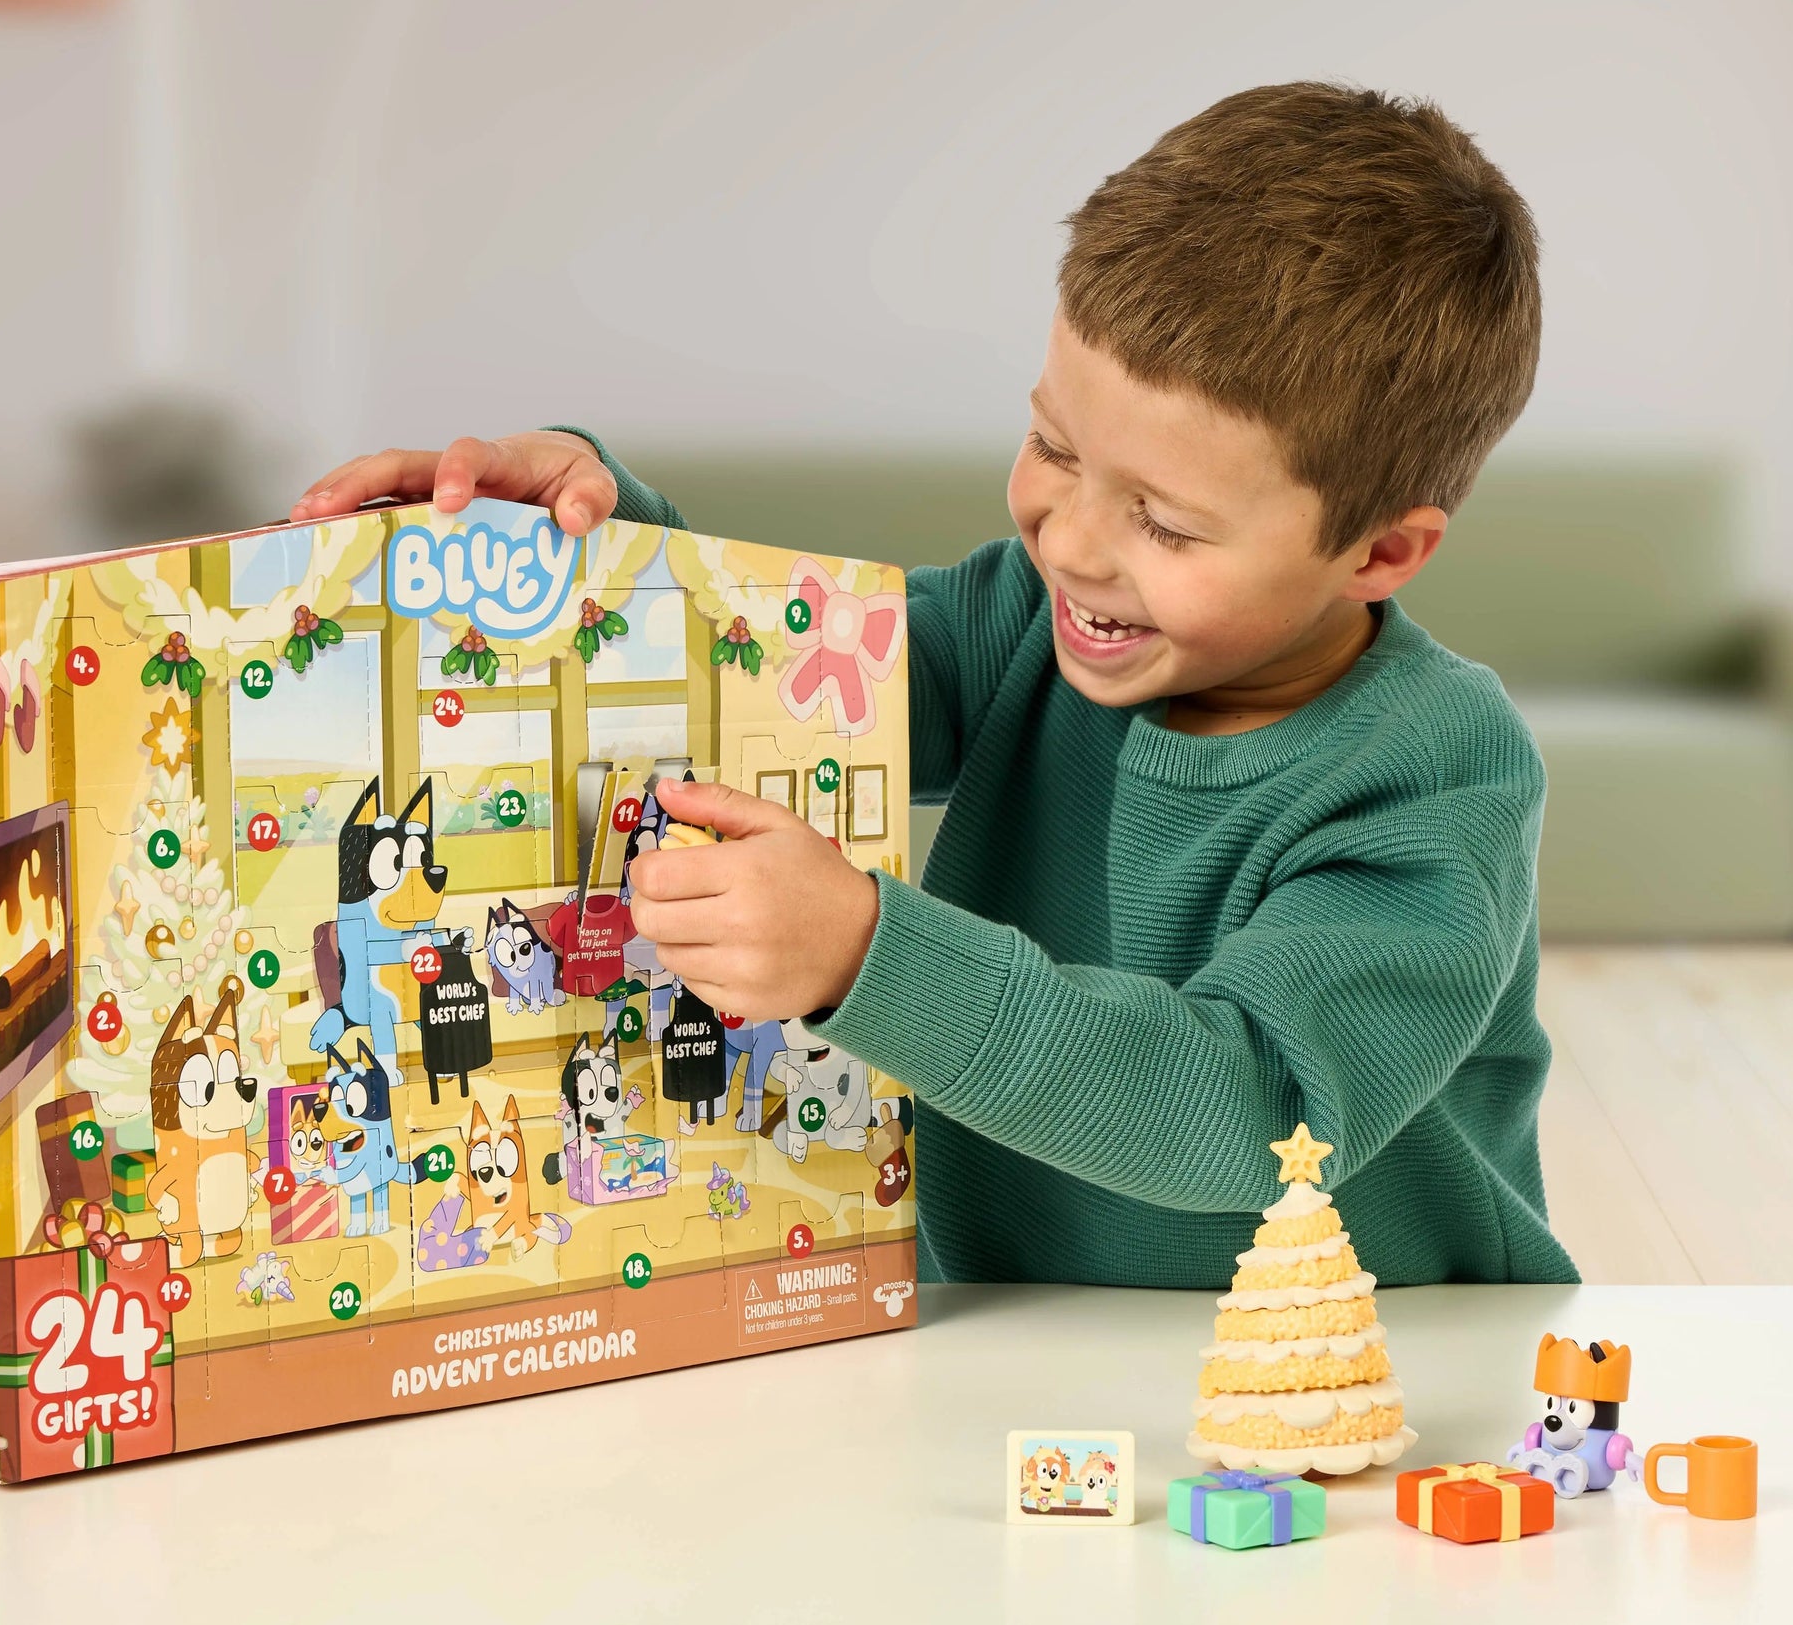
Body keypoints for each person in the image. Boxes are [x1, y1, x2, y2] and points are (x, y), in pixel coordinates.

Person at [293, 81, 1576, 1287]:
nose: (1068, 540)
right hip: (1005, 1339)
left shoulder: (1431, 768)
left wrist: (868, 951)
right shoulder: (1028, 614)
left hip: (1378, 1371)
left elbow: (1257, 1113)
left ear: (1381, 551)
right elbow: (775, 679)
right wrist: (595, 535)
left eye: (1166, 526)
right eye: (1052, 446)